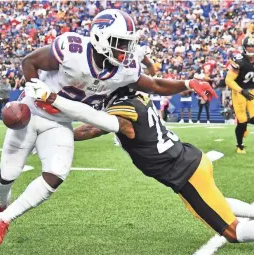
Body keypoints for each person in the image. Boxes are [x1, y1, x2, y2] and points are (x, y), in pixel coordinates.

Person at [0, 9, 216, 246]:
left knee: (56, 175)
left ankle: (4, 219)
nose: (124, 50)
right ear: (99, 37)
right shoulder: (72, 48)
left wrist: (188, 83)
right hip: (32, 109)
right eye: (119, 43)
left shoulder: (124, 68)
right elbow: (29, 62)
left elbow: (155, 84)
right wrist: (34, 91)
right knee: (9, 173)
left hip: (60, 121)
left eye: (127, 44)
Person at [45, 86, 254, 245]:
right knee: (214, 202)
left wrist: (58, 134)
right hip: (190, 160)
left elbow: (93, 129)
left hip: (184, 172)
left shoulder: (123, 110)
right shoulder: (138, 96)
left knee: (233, 233)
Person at [225, 36, 254, 154]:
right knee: (242, 120)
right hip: (239, 91)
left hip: (252, 90)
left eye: (253, 46)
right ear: (244, 47)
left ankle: (246, 125)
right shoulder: (239, 60)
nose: (251, 49)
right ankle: (240, 145)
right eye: (249, 46)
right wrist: (242, 91)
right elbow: (228, 80)